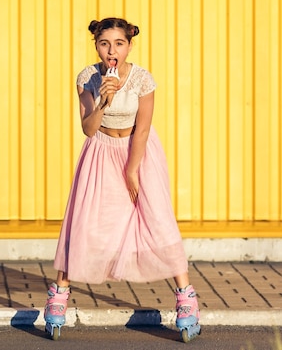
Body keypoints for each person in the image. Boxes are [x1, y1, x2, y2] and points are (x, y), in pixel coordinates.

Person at [43, 18, 201, 342]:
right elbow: (87, 128)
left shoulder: (143, 79)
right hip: (100, 151)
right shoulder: (87, 77)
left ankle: (186, 299)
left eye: (118, 43)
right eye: (104, 44)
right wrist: (104, 99)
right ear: (96, 46)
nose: (111, 51)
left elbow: (142, 128)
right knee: (84, 223)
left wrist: (132, 169)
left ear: (129, 45)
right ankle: (59, 294)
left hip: (137, 153)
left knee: (158, 220)